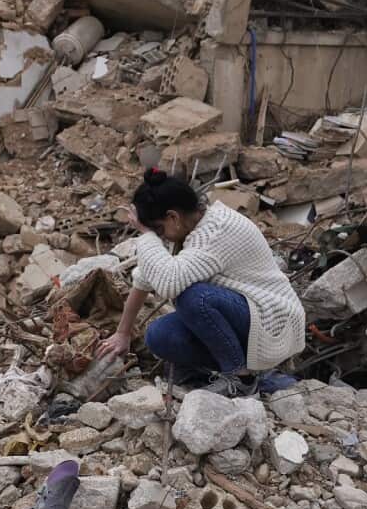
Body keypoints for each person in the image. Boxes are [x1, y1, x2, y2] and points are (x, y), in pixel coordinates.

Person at [97, 168, 305, 396]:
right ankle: (227, 374)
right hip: (244, 320)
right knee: (158, 335)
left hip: (271, 321)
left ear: (173, 217)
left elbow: (169, 283)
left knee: (194, 297)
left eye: (158, 229)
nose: (160, 237)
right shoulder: (187, 228)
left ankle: (240, 378)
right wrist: (123, 333)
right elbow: (144, 278)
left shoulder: (215, 232)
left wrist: (146, 235)